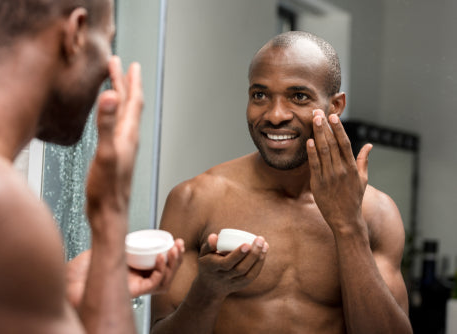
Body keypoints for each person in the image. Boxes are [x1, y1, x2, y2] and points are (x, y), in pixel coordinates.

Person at [151, 31, 413, 334]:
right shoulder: (195, 200)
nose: (274, 116)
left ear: (336, 105)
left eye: (298, 96)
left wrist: (348, 224)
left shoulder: (376, 213)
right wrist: (207, 292)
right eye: (259, 95)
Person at [0, 0, 183, 333]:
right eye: (107, 41)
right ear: (75, 33)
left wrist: (59, 287)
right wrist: (110, 210)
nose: (108, 68)